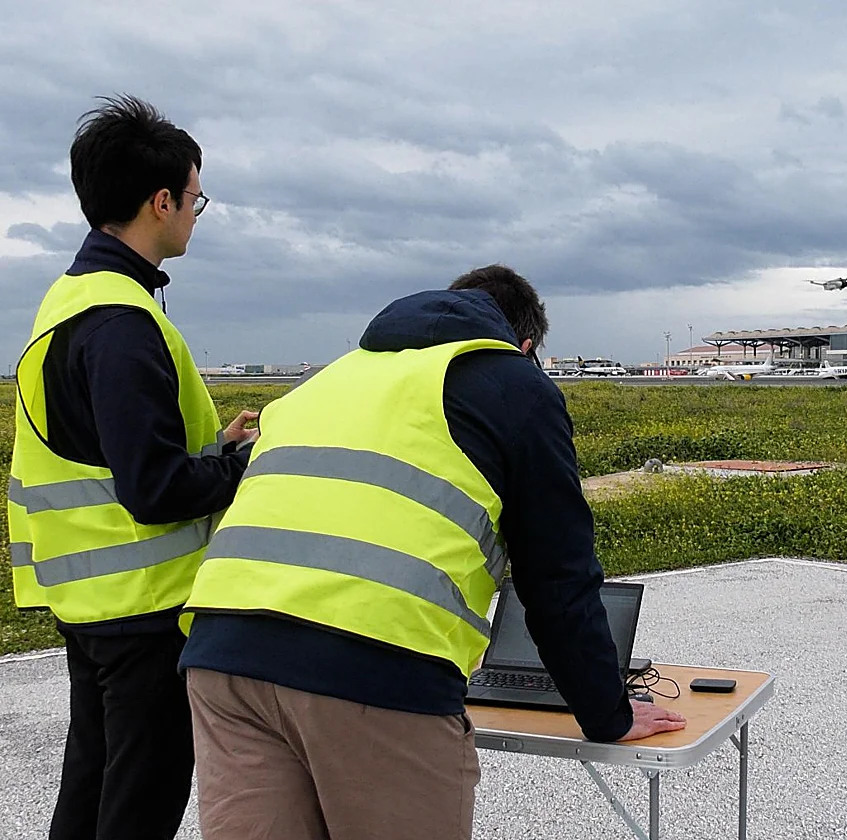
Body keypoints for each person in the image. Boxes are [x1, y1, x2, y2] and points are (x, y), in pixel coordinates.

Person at [179, 265, 686, 839]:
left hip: (222, 654)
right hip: (375, 663)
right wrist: (607, 713)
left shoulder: (326, 380)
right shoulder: (515, 385)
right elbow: (557, 579)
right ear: (523, 347)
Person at [5, 95, 258, 840]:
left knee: (91, 785)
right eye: (195, 199)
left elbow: (102, 449)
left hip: (90, 601)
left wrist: (210, 452)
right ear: (161, 201)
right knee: (140, 801)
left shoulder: (69, 299)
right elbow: (154, 490)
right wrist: (244, 469)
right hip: (145, 609)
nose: (194, 216)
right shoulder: (123, 321)